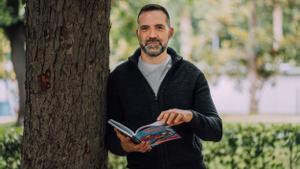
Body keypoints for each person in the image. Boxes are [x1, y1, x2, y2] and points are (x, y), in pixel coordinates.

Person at [106, 4, 222, 169]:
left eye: (159, 28)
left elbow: (216, 130)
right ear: (137, 33)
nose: (152, 35)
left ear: (170, 32)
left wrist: (189, 116)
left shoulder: (192, 74)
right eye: (145, 28)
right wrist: (124, 146)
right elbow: (110, 138)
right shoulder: (119, 77)